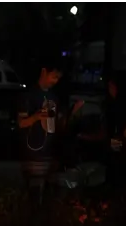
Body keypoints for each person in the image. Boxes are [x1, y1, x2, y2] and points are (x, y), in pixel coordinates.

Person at [18, 59, 83, 205]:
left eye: (58, 78)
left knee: (49, 196)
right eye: (53, 76)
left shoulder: (53, 97)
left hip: (50, 152)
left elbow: (58, 124)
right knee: (34, 194)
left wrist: (72, 113)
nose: (55, 81)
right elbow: (21, 123)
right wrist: (35, 117)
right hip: (33, 152)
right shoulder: (29, 95)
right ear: (44, 72)